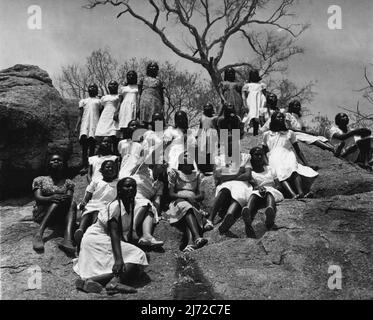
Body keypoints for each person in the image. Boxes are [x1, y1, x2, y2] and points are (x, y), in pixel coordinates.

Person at [73, 178, 148, 294]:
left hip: (106, 239)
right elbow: (114, 233)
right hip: (96, 238)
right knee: (138, 255)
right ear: (119, 190)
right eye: (127, 186)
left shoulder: (131, 204)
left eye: (133, 186)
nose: (131, 188)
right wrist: (118, 259)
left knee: (138, 260)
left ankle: (91, 280)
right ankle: (114, 282)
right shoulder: (115, 206)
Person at [262, 112, 318, 199]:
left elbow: (298, 150)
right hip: (273, 156)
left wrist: (307, 164)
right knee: (279, 172)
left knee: (293, 170)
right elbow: (264, 151)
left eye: (282, 117)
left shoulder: (290, 133)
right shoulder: (267, 134)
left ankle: (301, 193)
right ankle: (293, 195)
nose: (281, 119)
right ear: (273, 120)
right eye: (278, 117)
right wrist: (267, 164)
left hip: (287, 154)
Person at [206, 135, 252, 234]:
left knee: (239, 194)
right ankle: (210, 219)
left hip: (242, 183)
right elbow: (219, 176)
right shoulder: (219, 159)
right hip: (226, 183)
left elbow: (248, 175)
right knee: (225, 189)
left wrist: (227, 174)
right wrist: (238, 172)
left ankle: (229, 215)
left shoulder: (245, 157)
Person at [31, 154, 77, 255]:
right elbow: (38, 198)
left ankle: (67, 239)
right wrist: (51, 198)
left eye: (59, 160)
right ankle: (39, 233)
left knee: (71, 202)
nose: (56, 162)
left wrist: (61, 198)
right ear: (48, 164)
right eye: (53, 160)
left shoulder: (69, 182)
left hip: (60, 216)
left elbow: (69, 198)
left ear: (63, 164)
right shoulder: (39, 180)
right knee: (57, 200)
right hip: (42, 212)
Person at [165, 153, 208, 252]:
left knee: (190, 211)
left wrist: (193, 199)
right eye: (184, 163)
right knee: (187, 207)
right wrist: (186, 197)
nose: (186, 165)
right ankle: (197, 237)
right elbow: (171, 194)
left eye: (188, 163)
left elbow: (201, 195)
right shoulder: (175, 174)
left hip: (193, 202)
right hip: (178, 202)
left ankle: (190, 243)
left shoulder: (197, 175)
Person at [74, 160, 118, 251]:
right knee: (87, 213)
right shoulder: (96, 181)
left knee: (97, 215)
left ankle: (91, 233)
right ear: (101, 170)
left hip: (106, 206)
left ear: (116, 171)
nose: (110, 169)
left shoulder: (117, 183)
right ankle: (80, 230)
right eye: (107, 167)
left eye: (112, 168)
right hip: (93, 203)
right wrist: (84, 202)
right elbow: (89, 193)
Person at [241, 147, 284, 237]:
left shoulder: (270, 169)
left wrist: (276, 187)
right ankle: (247, 212)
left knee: (269, 193)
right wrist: (259, 188)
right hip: (258, 192)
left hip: (272, 191)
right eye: (256, 155)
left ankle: (270, 212)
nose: (259, 157)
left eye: (261, 155)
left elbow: (278, 184)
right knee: (253, 195)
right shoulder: (250, 172)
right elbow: (253, 184)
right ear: (251, 157)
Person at [75, 83, 101, 171]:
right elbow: (80, 115)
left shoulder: (99, 101)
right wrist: (77, 126)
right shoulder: (83, 101)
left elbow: (101, 114)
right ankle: (84, 165)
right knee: (85, 147)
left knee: (92, 146)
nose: (92, 88)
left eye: (94, 87)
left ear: (97, 90)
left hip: (95, 124)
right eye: (90, 86)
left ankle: (91, 166)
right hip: (85, 124)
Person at [95, 80, 120, 152]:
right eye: (111, 84)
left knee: (114, 136)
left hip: (114, 117)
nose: (113, 86)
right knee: (103, 136)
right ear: (108, 86)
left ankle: (115, 154)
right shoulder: (104, 98)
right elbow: (101, 108)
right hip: (105, 117)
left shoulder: (119, 96)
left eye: (115, 84)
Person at [138, 62, 164, 127]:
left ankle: (159, 135)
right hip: (144, 102)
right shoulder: (142, 79)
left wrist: (163, 107)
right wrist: (138, 105)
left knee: (157, 121)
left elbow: (161, 95)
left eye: (155, 66)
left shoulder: (159, 81)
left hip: (156, 102)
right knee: (144, 122)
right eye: (151, 66)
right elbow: (139, 93)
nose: (153, 68)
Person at [242, 70, 267, 136]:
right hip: (251, 101)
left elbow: (265, 94)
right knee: (252, 114)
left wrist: (266, 103)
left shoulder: (262, 85)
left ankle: (261, 130)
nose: (254, 76)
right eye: (252, 75)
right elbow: (243, 96)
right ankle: (250, 130)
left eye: (255, 75)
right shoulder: (247, 85)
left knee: (260, 115)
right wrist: (244, 104)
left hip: (260, 100)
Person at [115, 71, 139, 139]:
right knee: (124, 127)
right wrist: (117, 111)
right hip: (124, 108)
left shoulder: (138, 87)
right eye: (129, 75)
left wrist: (138, 108)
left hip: (133, 106)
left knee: (133, 127)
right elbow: (120, 101)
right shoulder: (123, 88)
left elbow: (139, 98)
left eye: (133, 75)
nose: (131, 76)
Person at [197, 103, 218, 174]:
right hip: (203, 135)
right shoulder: (202, 117)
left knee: (212, 152)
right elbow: (200, 127)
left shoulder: (215, 118)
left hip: (212, 135)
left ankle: (212, 168)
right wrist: (197, 136)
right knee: (203, 152)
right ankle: (203, 169)